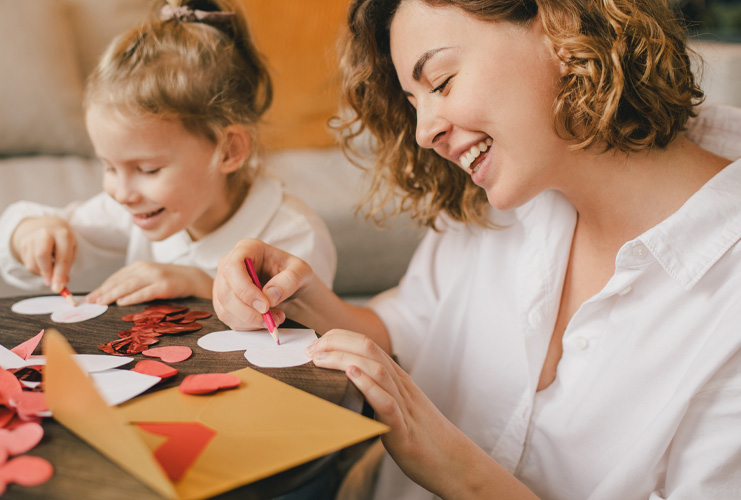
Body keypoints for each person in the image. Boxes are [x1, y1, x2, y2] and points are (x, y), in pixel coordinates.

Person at [212, 0, 741, 499]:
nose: (423, 133)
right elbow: (405, 327)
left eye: (441, 81)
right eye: (413, 102)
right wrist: (292, 294)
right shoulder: (504, 194)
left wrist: (456, 471)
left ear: (559, 21)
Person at [0, 0, 336, 306]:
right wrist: (30, 234)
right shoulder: (137, 208)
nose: (121, 193)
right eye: (109, 167)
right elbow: (16, 239)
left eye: (148, 170)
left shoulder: (292, 236)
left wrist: (198, 284)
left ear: (228, 150)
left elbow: (297, 336)